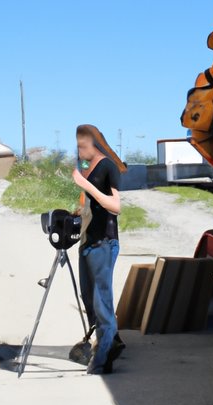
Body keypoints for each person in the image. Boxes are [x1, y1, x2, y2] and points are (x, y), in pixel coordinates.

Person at [72, 125, 127, 374]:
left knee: (101, 301)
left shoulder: (107, 167)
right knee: (88, 298)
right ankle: (110, 342)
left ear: (95, 144)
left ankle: (103, 360)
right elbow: (89, 201)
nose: (79, 151)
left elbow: (115, 206)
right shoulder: (87, 167)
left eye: (82, 146)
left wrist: (86, 185)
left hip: (104, 241)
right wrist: (79, 209)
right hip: (87, 240)